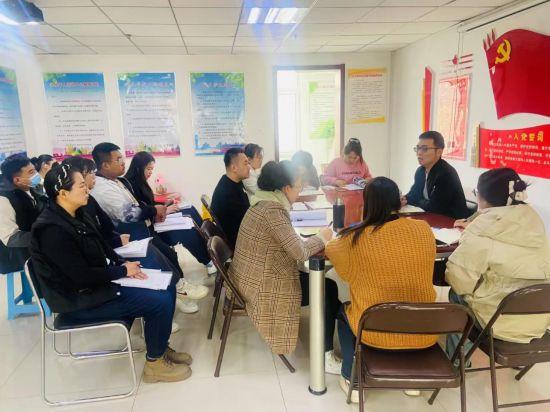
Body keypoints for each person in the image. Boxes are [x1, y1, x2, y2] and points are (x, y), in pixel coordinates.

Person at [30, 164, 193, 383]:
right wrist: (122, 271)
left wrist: (123, 263)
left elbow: (102, 245)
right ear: (63, 193)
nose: (87, 189)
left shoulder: (77, 214)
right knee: (158, 301)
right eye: (81, 186)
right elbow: (80, 277)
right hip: (79, 301)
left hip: (96, 286)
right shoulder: (52, 230)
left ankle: (160, 347)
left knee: (166, 285)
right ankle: (155, 364)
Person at [325, 176, 437, 401]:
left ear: (366, 203)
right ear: (399, 201)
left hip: (373, 331)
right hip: (423, 329)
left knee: (344, 311)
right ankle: (411, 379)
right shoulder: (423, 229)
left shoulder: (355, 238)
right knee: (405, 316)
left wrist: (328, 237)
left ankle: (353, 379)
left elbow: (334, 255)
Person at [228, 160, 342, 374]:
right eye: (298, 187)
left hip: (249, 277)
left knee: (328, 289)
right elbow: (301, 252)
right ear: (286, 188)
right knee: (327, 289)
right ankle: (325, 355)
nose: (299, 192)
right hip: (262, 287)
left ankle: (332, 328)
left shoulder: (262, 203)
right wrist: (323, 237)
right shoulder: (272, 211)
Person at [90, 143, 208, 314]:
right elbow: (129, 214)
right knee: (160, 258)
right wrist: (154, 210)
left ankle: (177, 292)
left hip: (143, 230)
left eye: (122, 158)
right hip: (127, 237)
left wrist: (155, 210)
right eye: (118, 159)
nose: (123, 162)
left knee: (169, 253)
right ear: (105, 165)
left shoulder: (119, 181)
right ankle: (177, 290)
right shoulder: (102, 188)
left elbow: (138, 204)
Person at [445, 168, 550, 356]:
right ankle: (520, 359)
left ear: (482, 198)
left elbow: (458, 281)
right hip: (538, 322)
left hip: (498, 323)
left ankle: (457, 360)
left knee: (456, 295)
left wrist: (470, 234)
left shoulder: (481, 232)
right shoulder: (535, 223)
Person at [124, 151, 216, 284]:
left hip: (156, 218)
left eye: (152, 169)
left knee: (190, 210)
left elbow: (149, 203)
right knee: (186, 229)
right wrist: (165, 210)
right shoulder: (131, 185)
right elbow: (142, 211)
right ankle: (208, 260)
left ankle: (210, 247)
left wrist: (165, 204)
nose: (150, 172)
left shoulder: (140, 182)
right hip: (152, 226)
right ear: (138, 168)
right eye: (148, 169)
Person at [403, 131, 468, 219]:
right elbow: (414, 194)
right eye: (418, 148)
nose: (419, 152)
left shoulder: (446, 174)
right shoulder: (420, 171)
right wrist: (403, 199)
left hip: (451, 221)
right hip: (430, 217)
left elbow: (435, 207)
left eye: (424, 149)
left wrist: (416, 200)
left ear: (439, 152)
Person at [0, 154, 47, 273]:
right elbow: (10, 238)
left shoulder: (33, 188)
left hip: (37, 255)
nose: (36, 174)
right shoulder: (4, 199)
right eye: (31, 172)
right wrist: (43, 237)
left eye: (35, 170)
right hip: (18, 263)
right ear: (17, 180)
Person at [210, 148, 250, 249]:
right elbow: (246, 221)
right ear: (234, 168)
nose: (249, 167)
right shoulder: (227, 192)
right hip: (239, 243)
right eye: (245, 163)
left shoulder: (235, 182)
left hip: (243, 234)